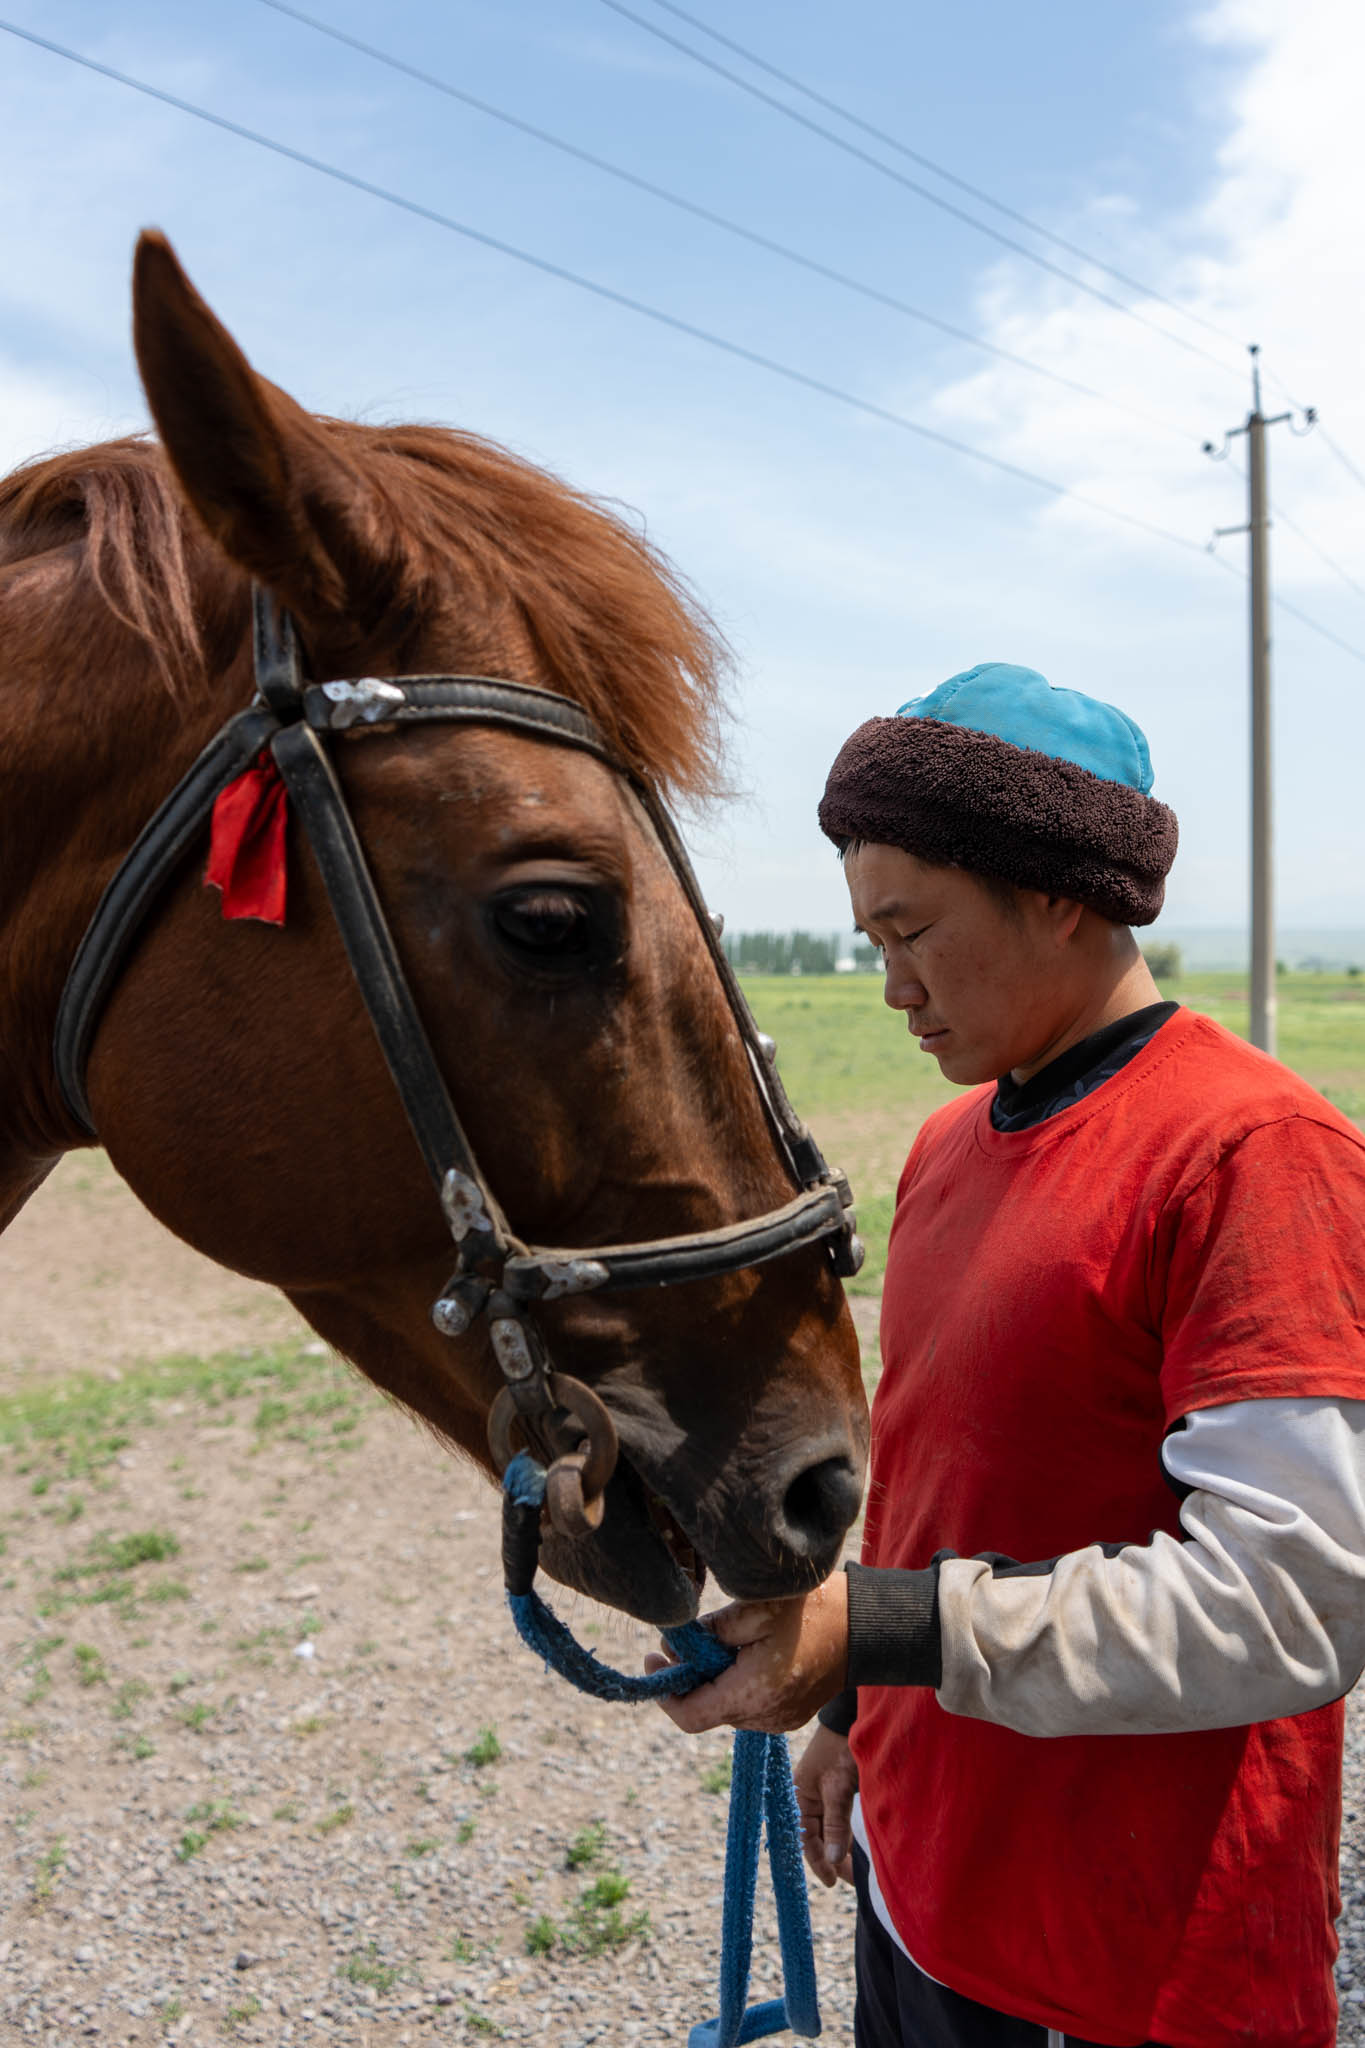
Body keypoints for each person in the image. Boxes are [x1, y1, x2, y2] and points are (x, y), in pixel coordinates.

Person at [650, 663, 1365, 2048]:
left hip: (1123, 1971)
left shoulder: (1253, 1157)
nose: (890, 986)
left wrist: (879, 1631)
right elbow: (942, 1491)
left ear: (1057, 893)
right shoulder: (948, 1144)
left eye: (911, 930)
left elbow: (1290, 1604)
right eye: (870, 940)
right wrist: (860, 1708)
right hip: (921, 1894)